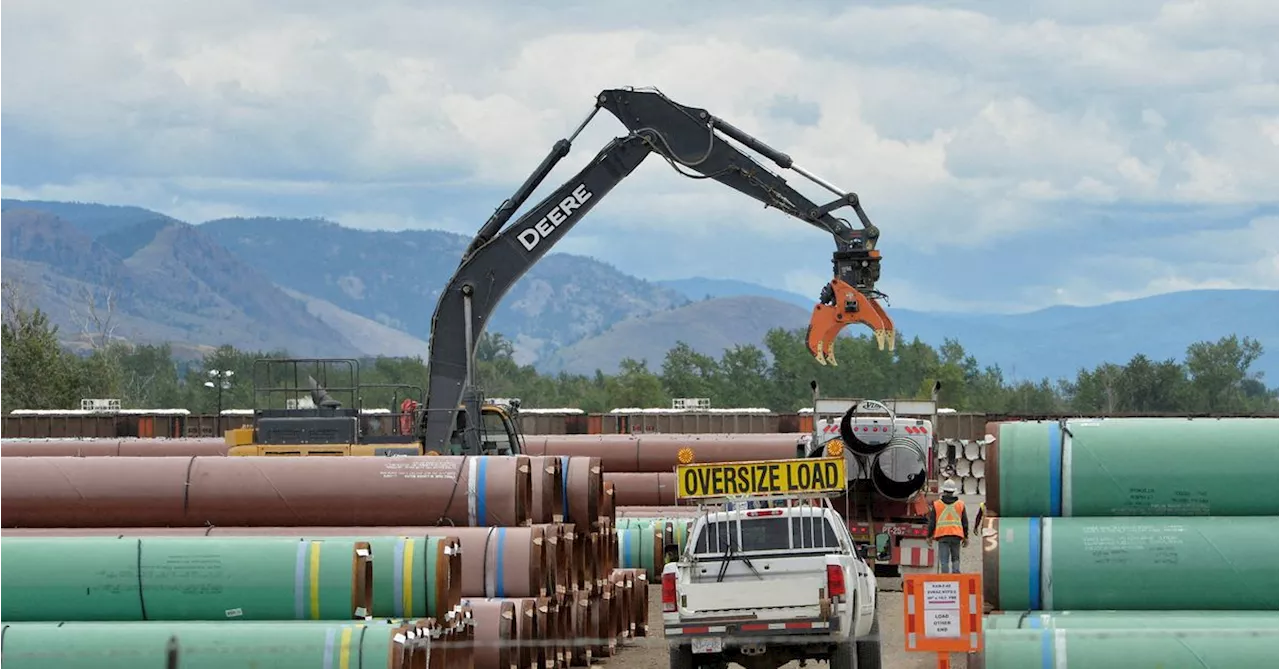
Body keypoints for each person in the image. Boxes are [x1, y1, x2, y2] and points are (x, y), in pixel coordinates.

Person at [926, 479, 969, 573]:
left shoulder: (937, 505)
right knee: (955, 558)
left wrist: (929, 536)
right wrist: (966, 537)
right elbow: (965, 522)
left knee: (944, 560)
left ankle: (945, 579)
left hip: (942, 536)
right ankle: (956, 576)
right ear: (953, 491)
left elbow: (932, 522)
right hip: (956, 535)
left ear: (944, 491)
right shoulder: (960, 504)